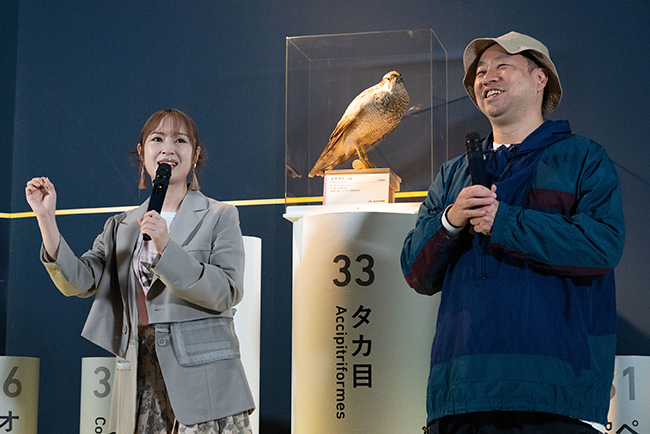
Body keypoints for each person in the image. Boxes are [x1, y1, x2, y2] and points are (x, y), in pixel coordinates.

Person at [401, 31, 625, 433]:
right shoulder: (452, 174)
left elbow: (602, 245)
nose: (487, 77)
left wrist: (504, 222)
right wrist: (450, 222)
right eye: (481, 71)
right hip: (459, 396)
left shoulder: (582, 157)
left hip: (553, 396)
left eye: (503, 65)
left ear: (541, 79)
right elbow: (416, 273)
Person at [25, 109, 255, 434]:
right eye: (157, 139)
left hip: (205, 375)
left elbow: (226, 291)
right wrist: (46, 220)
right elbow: (80, 280)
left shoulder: (219, 215)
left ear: (196, 154)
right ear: (141, 152)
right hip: (139, 372)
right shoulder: (121, 224)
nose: (167, 149)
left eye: (180, 140)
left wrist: (166, 246)